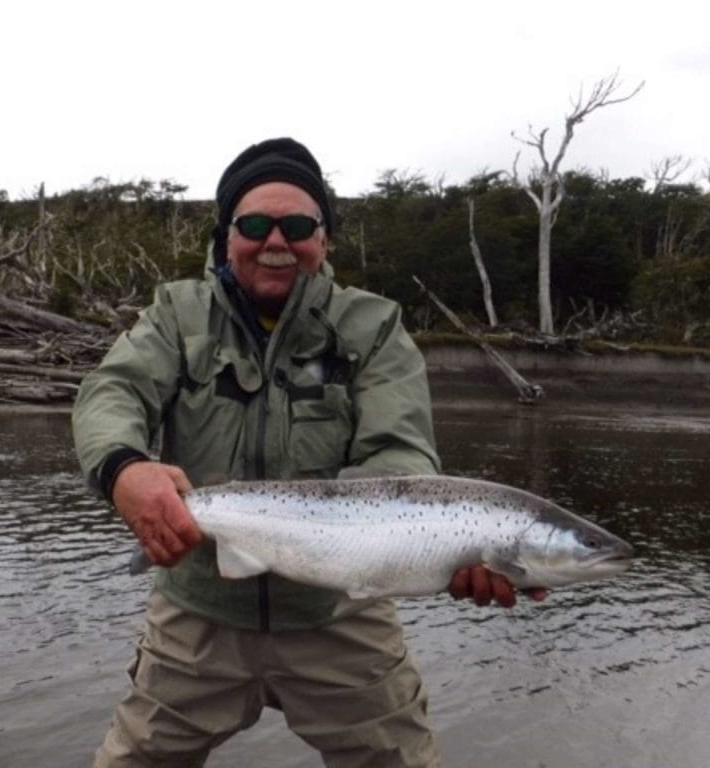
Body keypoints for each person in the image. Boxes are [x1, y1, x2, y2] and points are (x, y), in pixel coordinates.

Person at [72, 137, 544, 768]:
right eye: (254, 224)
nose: (276, 241)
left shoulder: (373, 327)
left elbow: (400, 460)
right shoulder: (175, 314)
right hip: (198, 610)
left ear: (324, 240)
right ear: (226, 235)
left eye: (298, 226)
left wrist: (442, 551)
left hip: (342, 619)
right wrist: (123, 469)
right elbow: (113, 392)